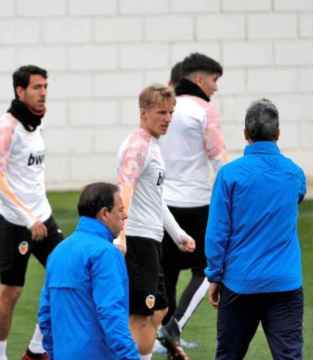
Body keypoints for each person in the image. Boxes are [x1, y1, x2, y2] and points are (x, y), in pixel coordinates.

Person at [206, 99, 306, 360]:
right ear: (278, 134)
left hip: (240, 283)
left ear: (245, 134)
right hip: (285, 282)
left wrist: (214, 276)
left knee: (228, 355)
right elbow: (298, 197)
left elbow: (217, 233)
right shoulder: (295, 173)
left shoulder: (229, 175)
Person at [0, 65, 64, 360]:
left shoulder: (35, 122)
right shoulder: (6, 128)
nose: (43, 93)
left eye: (45, 86)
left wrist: (39, 214)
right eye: (37, 87)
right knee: (12, 291)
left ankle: (35, 349)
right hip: (14, 222)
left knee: (67, 276)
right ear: (20, 91)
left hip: (43, 217)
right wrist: (27, 216)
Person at [115, 84, 196, 360]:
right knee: (141, 316)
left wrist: (177, 233)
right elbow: (125, 186)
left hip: (151, 240)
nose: (168, 118)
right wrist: (122, 234)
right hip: (137, 240)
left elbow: (155, 198)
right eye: (161, 112)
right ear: (143, 113)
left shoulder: (153, 146)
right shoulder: (137, 145)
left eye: (171, 112)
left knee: (159, 310)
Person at [156, 53, 227, 357]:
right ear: (200, 79)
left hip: (163, 205)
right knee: (208, 271)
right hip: (196, 204)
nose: (215, 87)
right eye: (214, 80)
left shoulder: (165, 107)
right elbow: (218, 158)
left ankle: (168, 334)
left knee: (167, 274)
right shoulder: (204, 110)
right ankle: (175, 327)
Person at [38, 182, 139, 359]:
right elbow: (111, 312)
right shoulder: (106, 253)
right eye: (120, 209)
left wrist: (56, 353)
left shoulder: (58, 252)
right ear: (105, 214)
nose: (125, 215)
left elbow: (45, 315)